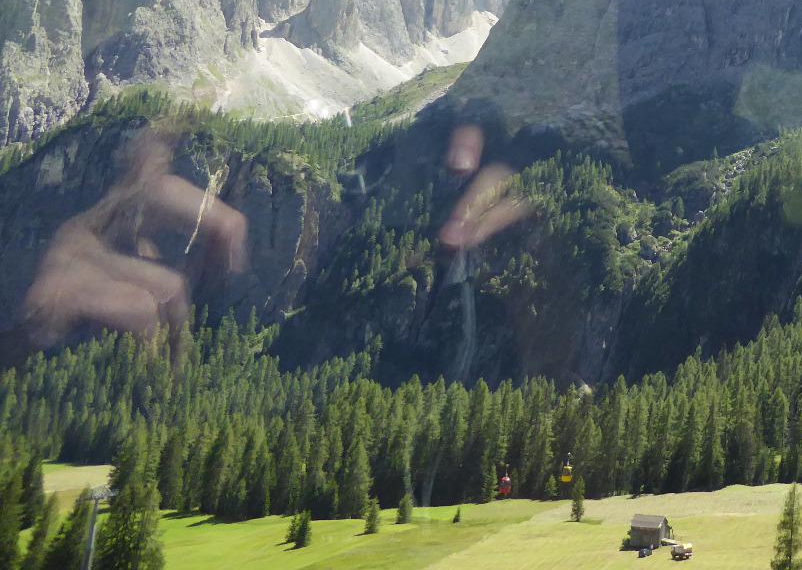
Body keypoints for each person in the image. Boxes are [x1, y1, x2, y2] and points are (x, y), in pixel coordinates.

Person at [1, 120, 529, 367]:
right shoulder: (142, 200)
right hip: (73, 279)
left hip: (74, 280)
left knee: (154, 298)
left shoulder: (139, 199)